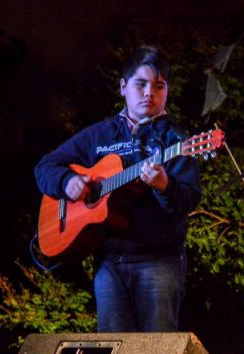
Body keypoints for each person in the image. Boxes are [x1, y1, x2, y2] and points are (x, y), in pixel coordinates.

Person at [34, 46, 201, 332]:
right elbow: (45, 166)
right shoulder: (100, 134)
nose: (149, 92)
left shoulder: (177, 142)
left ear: (167, 92)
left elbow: (188, 199)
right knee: (112, 353)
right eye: (141, 84)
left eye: (159, 86)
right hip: (108, 263)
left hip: (159, 262)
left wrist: (165, 186)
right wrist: (67, 182)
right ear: (123, 87)